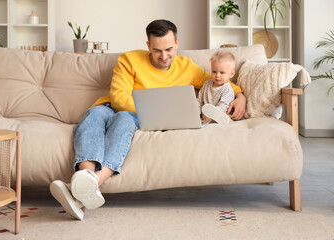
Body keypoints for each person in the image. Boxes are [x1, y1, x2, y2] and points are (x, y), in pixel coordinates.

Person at [49, 19, 247, 220]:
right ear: (148, 46)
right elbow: (119, 99)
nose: (164, 56)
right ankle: (86, 178)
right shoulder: (129, 60)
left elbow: (219, 82)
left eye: (169, 49)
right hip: (110, 108)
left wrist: (241, 97)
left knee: (125, 120)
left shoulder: (187, 67)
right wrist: (153, 112)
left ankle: (87, 186)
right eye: (157, 50)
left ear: (177, 43)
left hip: (131, 116)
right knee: (92, 115)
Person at [197, 50, 236, 125]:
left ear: (231, 74)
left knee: (223, 114)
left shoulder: (228, 90)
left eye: (222, 72)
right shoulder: (206, 84)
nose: (217, 75)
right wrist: (196, 111)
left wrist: (210, 115)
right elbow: (199, 100)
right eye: (214, 71)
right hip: (205, 116)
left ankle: (219, 121)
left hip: (218, 114)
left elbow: (223, 106)